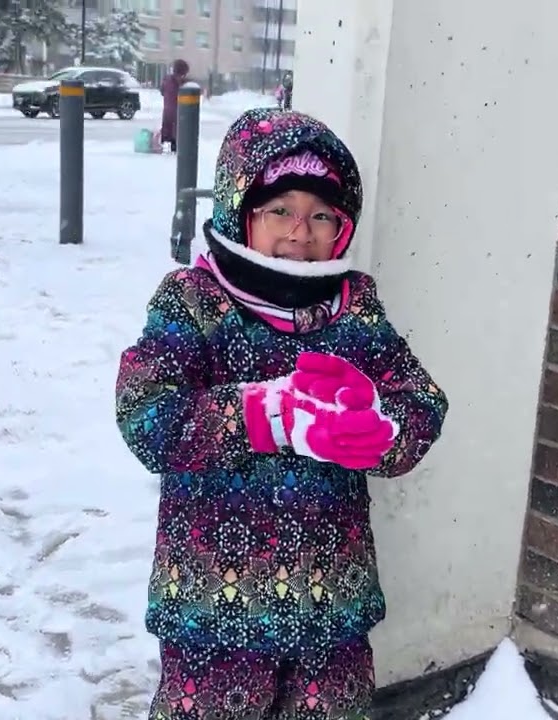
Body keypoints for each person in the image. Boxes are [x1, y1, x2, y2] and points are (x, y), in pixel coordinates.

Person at [115, 108, 449, 719]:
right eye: (280, 211)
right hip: (216, 606)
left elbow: (421, 402)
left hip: (331, 606)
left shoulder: (356, 309)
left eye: (322, 215)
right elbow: (147, 415)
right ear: (239, 211)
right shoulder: (196, 302)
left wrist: (381, 428)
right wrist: (267, 414)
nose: (301, 232)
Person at [160, 59, 190, 152]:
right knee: (176, 131)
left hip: (167, 109)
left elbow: (162, 91)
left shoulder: (167, 79)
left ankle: (163, 142)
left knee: (167, 128)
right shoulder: (182, 83)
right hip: (178, 111)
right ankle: (174, 146)